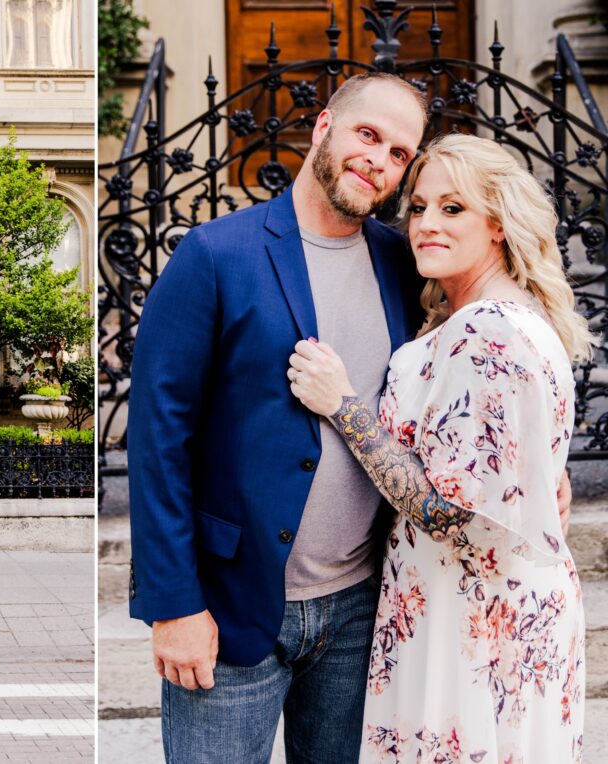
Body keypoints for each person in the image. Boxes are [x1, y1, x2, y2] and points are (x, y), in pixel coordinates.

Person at [128, 72, 432, 761]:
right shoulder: (214, 254)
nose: (379, 159)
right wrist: (173, 605)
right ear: (323, 127)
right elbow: (156, 442)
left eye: (398, 152)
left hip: (359, 604)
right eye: (367, 134)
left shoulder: (403, 261)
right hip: (231, 607)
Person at [288, 133, 589, 761]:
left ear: (500, 226)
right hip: (488, 600)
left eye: (454, 209)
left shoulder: (489, 333)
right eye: (419, 206)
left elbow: (451, 515)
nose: (425, 224)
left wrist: (343, 407)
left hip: (473, 615)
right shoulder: (497, 314)